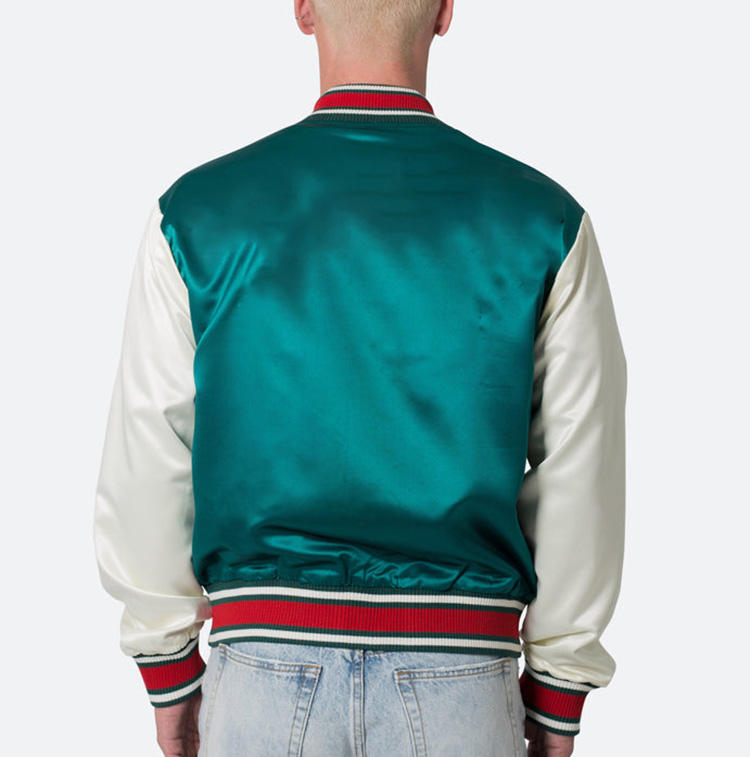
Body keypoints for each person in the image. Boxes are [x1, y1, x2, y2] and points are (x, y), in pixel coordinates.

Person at [93, 1, 627, 755]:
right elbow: (581, 466)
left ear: (304, 9)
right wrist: (557, 689)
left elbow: (150, 450)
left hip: (261, 673)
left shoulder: (195, 215)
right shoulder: (545, 221)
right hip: (462, 681)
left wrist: (168, 669)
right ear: (444, 13)